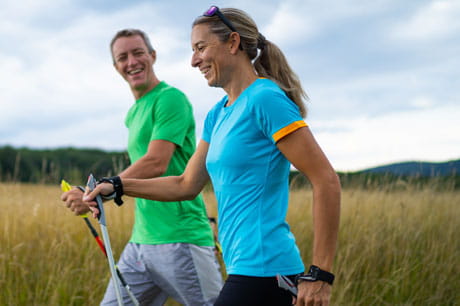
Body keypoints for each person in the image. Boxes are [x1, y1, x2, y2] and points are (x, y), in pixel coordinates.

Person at [85, 7, 341, 306]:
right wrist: (117, 185)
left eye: (200, 48)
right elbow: (185, 184)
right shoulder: (218, 113)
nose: (194, 60)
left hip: (268, 271)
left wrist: (321, 275)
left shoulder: (265, 98)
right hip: (242, 269)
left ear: (232, 43)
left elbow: (326, 180)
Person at [61, 28, 222, 305]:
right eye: (123, 57)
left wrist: (100, 191)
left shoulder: (170, 99)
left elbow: (156, 162)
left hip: (181, 239)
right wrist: (96, 191)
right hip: (141, 242)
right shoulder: (134, 112)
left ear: (153, 56)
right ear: (116, 67)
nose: (132, 62)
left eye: (138, 53)